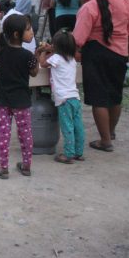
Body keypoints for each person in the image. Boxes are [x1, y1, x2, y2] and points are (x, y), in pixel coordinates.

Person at [73, 0, 129, 152]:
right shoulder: (126, 2)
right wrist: (127, 55)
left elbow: (78, 39)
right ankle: (110, 132)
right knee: (115, 96)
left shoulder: (89, 7)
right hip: (119, 54)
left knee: (98, 99)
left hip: (95, 55)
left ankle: (105, 141)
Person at [0, 14, 39, 179]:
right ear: (16, 34)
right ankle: (26, 166)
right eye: (28, 29)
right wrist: (37, 55)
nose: (31, 32)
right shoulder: (28, 56)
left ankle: (3, 168)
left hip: (4, 101)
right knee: (25, 134)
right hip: (22, 102)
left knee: (4, 134)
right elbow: (34, 73)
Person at [38, 30, 85, 164]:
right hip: (75, 98)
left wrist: (42, 51)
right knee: (78, 126)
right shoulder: (71, 60)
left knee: (67, 127)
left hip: (63, 100)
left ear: (56, 47)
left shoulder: (56, 58)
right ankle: (79, 152)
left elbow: (42, 63)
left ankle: (68, 154)